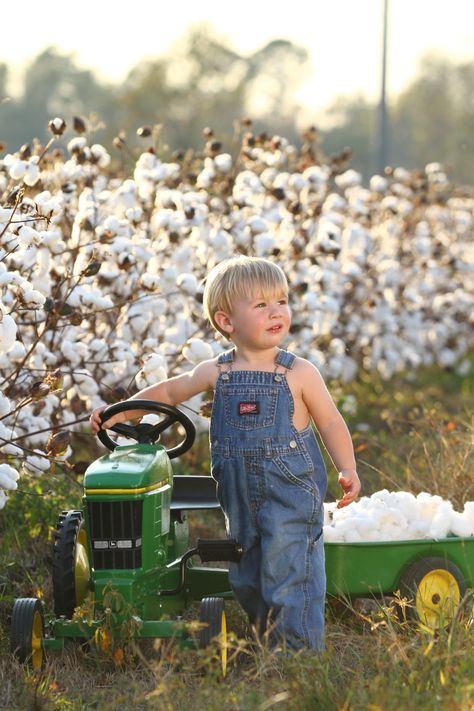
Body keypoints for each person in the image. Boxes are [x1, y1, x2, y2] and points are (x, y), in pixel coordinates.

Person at [90, 256, 361, 652]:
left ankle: (298, 655)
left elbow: (331, 422)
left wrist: (347, 467)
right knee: (247, 576)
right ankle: (268, 638)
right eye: (261, 305)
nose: (276, 312)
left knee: (289, 572)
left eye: (281, 301)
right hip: (238, 499)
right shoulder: (217, 371)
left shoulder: (299, 372)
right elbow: (167, 393)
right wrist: (119, 414)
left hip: (291, 496)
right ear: (227, 322)